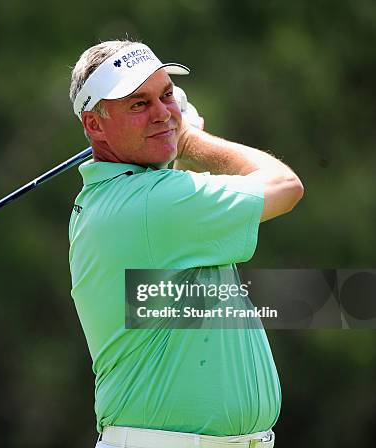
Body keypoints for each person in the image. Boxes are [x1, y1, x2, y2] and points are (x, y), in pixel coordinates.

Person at [68, 40, 304, 448]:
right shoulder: (149, 205)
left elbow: (168, 187)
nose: (163, 112)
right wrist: (190, 137)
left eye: (166, 95)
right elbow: (285, 186)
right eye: (138, 104)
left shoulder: (126, 199)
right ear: (94, 125)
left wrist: (172, 139)